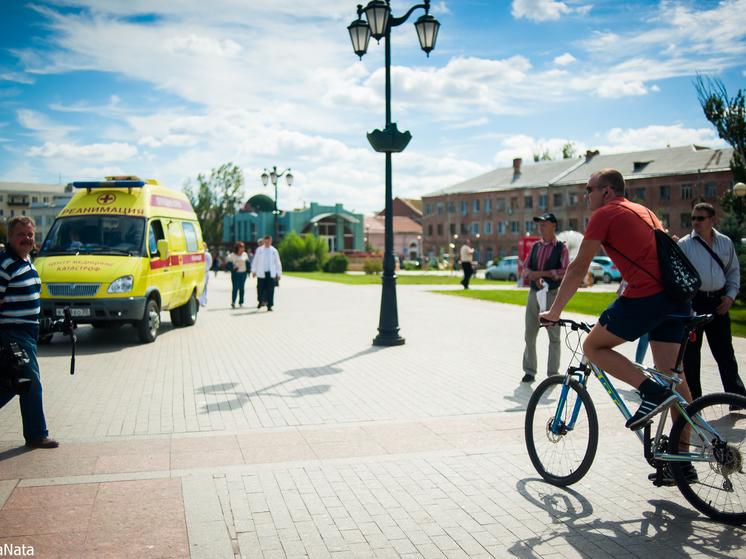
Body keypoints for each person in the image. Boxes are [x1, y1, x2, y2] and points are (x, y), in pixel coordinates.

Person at [540, 169, 692, 433]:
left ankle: (650, 392)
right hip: (676, 297)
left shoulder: (605, 214)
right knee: (674, 379)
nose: (585, 195)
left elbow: (577, 269)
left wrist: (554, 311)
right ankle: (683, 464)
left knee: (592, 347)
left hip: (647, 296)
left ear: (607, 192)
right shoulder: (644, 210)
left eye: (589, 189)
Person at [0, 216, 59, 448]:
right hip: (13, 334)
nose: (27, 238)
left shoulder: (27, 261)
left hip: (27, 332)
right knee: (28, 382)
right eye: (21, 234)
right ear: (10, 237)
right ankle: (36, 434)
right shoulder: (5, 264)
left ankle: (35, 432)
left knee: (15, 382)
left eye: (30, 234)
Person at [678, 202, 744, 400]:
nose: (695, 222)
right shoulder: (685, 244)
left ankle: (736, 398)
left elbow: (734, 272)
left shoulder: (725, 243)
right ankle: (695, 400)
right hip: (695, 304)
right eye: (693, 218)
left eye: (700, 218)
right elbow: (679, 278)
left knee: (725, 352)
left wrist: (731, 296)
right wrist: (686, 305)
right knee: (691, 356)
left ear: (712, 219)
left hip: (719, 303)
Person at [521, 213, 570, 383]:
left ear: (554, 225)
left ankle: (553, 373)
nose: (540, 227)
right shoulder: (536, 247)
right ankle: (529, 370)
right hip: (534, 293)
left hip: (552, 295)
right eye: (539, 224)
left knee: (554, 336)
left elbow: (565, 270)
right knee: (530, 333)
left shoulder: (561, 248)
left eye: (544, 224)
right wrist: (534, 277)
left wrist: (543, 274)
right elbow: (525, 267)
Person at [251, 235, 282, 311]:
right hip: (261, 273)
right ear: (264, 242)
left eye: (268, 242)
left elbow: (277, 263)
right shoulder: (259, 250)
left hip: (270, 273)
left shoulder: (274, 251)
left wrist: (279, 273)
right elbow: (255, 261)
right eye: (266, 241)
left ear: (271, 242)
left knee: (270, 290)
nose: (267, 243)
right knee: (260, 288)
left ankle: (269, 305)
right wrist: (253, 271)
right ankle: (260, 301)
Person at [228, 242, 249, 308]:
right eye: (241, 247)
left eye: (243, 247)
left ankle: (241, 302)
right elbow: (228, 264)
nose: (242, 249)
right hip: (235, 273)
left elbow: (248, 263)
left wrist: (248, 271)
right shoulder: (232, 255)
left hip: (243, 272)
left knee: (242, 288)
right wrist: (232, 267)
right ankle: (233, 301)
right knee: (235, 287)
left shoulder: (245, 255)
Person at [198, 242, 212, 307]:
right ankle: (199, 300)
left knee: (204, 287)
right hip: (199, 273)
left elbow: (210, 263)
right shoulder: (198, 254)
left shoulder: (207, 255)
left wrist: (206, 269)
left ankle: (203, 300)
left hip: (205, 272)